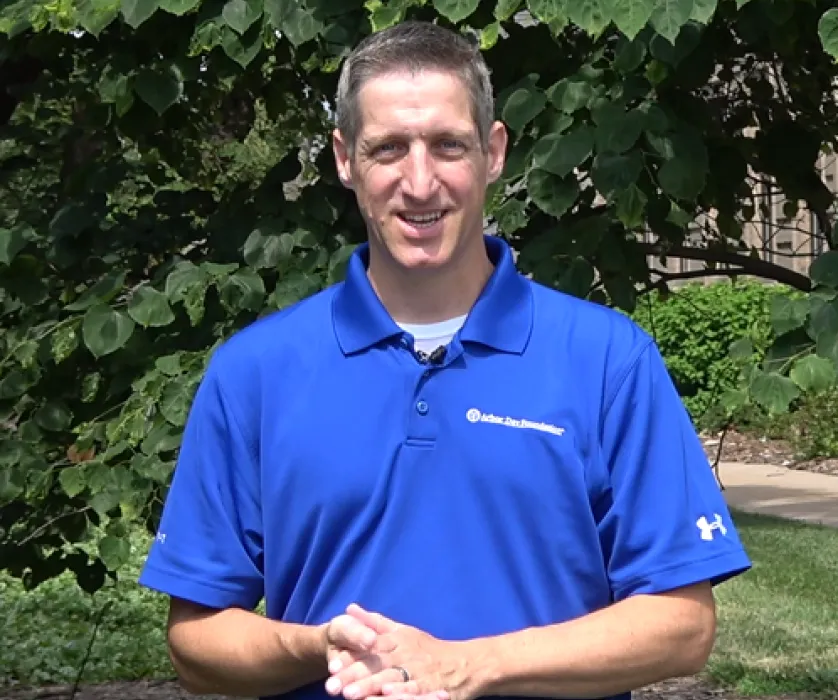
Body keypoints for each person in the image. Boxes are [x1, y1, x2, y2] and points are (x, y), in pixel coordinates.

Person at [137, 19, 751, 700]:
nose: (420, 182)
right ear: (345, 159)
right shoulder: (255, 371)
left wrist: (471, 665)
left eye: (447, 146)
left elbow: (682, 627)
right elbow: (195, 640)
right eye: (389, 148)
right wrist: (313, 645)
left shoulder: (607, 359)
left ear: (492, 153)